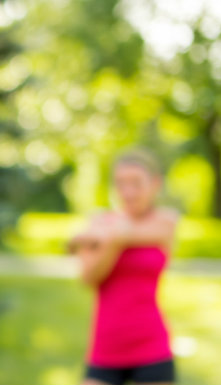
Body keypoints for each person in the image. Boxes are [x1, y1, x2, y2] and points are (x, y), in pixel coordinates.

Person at [70, 150, 179, 385]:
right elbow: (88, 278)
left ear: (155, 184)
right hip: (105, 347)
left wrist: (106, 236)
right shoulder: (99, 221)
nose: (128, 192)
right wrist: (113, 242)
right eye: (121, 184)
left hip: (152, 345)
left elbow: (155, 233)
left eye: (136, 183)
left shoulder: (165, 220)